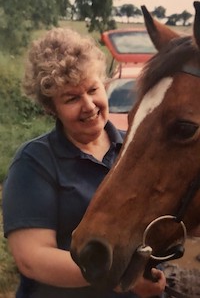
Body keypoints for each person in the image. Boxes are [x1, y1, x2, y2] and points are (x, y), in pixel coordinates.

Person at [2, 27, 166, 298]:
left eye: (92, 89)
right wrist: (120, 276)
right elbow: (32, 258)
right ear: (51, 107)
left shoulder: (135, 148)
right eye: (72, 98)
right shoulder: (34, 162)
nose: (89, 105)